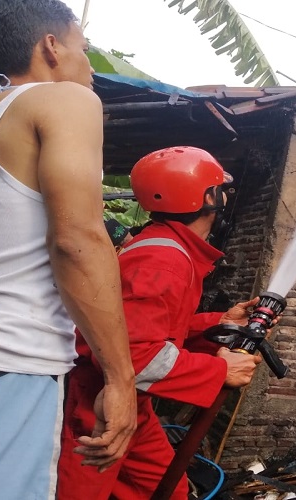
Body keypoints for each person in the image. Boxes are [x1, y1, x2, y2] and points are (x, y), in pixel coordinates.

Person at [0, 1, 138, 497]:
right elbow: (77, 240)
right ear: (51, 47)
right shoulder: (63, 101)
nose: (90, 68)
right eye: (84, 49)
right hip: (3, 358)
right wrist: (121, 380)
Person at [58, 146, 264, 499]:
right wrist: (218, 371)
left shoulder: (165, 248)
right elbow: (135, 357)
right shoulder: (164, 261)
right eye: (221, 189)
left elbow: (150, 327)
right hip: (98, 406)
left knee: (165, 491)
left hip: (130, 403)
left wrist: (221, 323)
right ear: (208, 198)